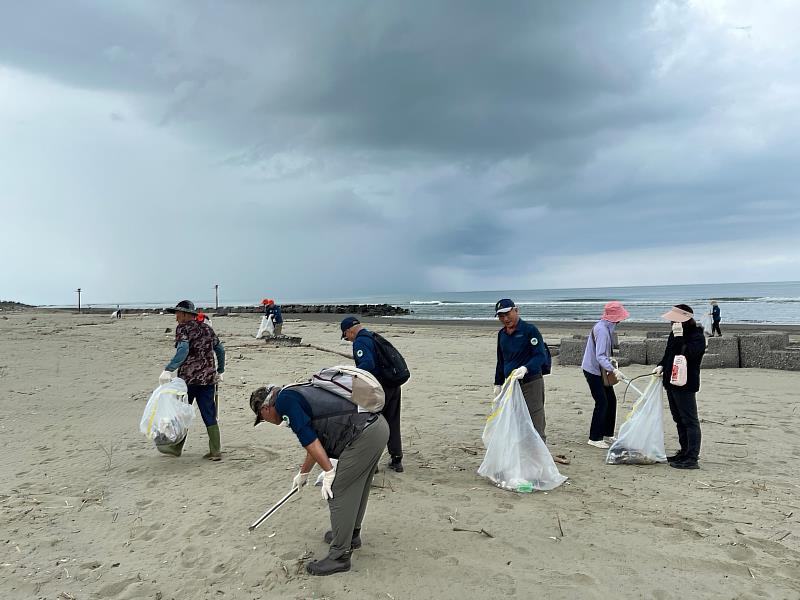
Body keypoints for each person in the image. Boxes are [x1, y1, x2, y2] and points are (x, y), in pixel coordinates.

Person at [250, 383, 389, 576]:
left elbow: (310, 440)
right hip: (376, 428)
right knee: (358, 485)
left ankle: (340, 555)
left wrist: (328, 472)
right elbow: (316, 441)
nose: (265, 420)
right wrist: (304, 473)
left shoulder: (285, 403)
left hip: (363, 435)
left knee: (338, 491)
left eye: (262, 418)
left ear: (265, 408)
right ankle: (351, 535)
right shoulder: (294, 393)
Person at [159, 300, 225, 461]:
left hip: (188, 379)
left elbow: (183, 349)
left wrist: (169, 368)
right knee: (209, 413)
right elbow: (220, 350)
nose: (176, 318)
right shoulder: (207, 328)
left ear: (185, 314)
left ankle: (175, 447)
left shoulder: (183, 328)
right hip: (208, 378)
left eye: (178, 314)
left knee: (182, 413)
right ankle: (215, 450)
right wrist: (221, 370)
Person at [340, 316, 405, 472]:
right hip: (394, 384)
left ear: (349, 330)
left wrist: (353, 376)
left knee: (371, 423)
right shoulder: (373, 336)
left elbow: (368, 364)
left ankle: (372, 464)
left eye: (345, 335)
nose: (347, 339)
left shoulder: (360, 341)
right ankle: (397, 460)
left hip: (379, 387)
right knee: (392, 422)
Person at [652, 304, 706, 470]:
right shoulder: (673, 334)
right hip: (670, 381)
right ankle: (683, 451)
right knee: (678, 419)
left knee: (690, 420)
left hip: (686, 383)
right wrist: (661, 365)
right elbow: (669, 354)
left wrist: (680, 337)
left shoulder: (697, 336)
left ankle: (692, 457)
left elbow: (690, 355)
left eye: (675, 320)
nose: (672, 323)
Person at [493, 299, 549, 442]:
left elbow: (540, 356)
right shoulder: (502, 334)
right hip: (510, 385)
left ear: (516, 311)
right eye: (501, 316)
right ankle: (521, 454)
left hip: (531, 382)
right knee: (515, 419)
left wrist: (526, 368)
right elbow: (501, 360)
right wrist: (498, 383)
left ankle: (538, 457)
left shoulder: (530, 330)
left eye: (507, 314)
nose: (505, 319)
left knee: (535, 419)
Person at [581, 301, 629, 449]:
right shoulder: (602, 330)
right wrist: (613, 370)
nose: (621, 320)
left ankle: (607, 433)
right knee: (602, 402)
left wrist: (611, 362)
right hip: (592, 370)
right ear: (614, 317)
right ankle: (594, 437)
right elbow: (600, 356)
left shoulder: (606, 327)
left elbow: (603, 355)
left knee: (611, 400)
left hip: (600, 370)